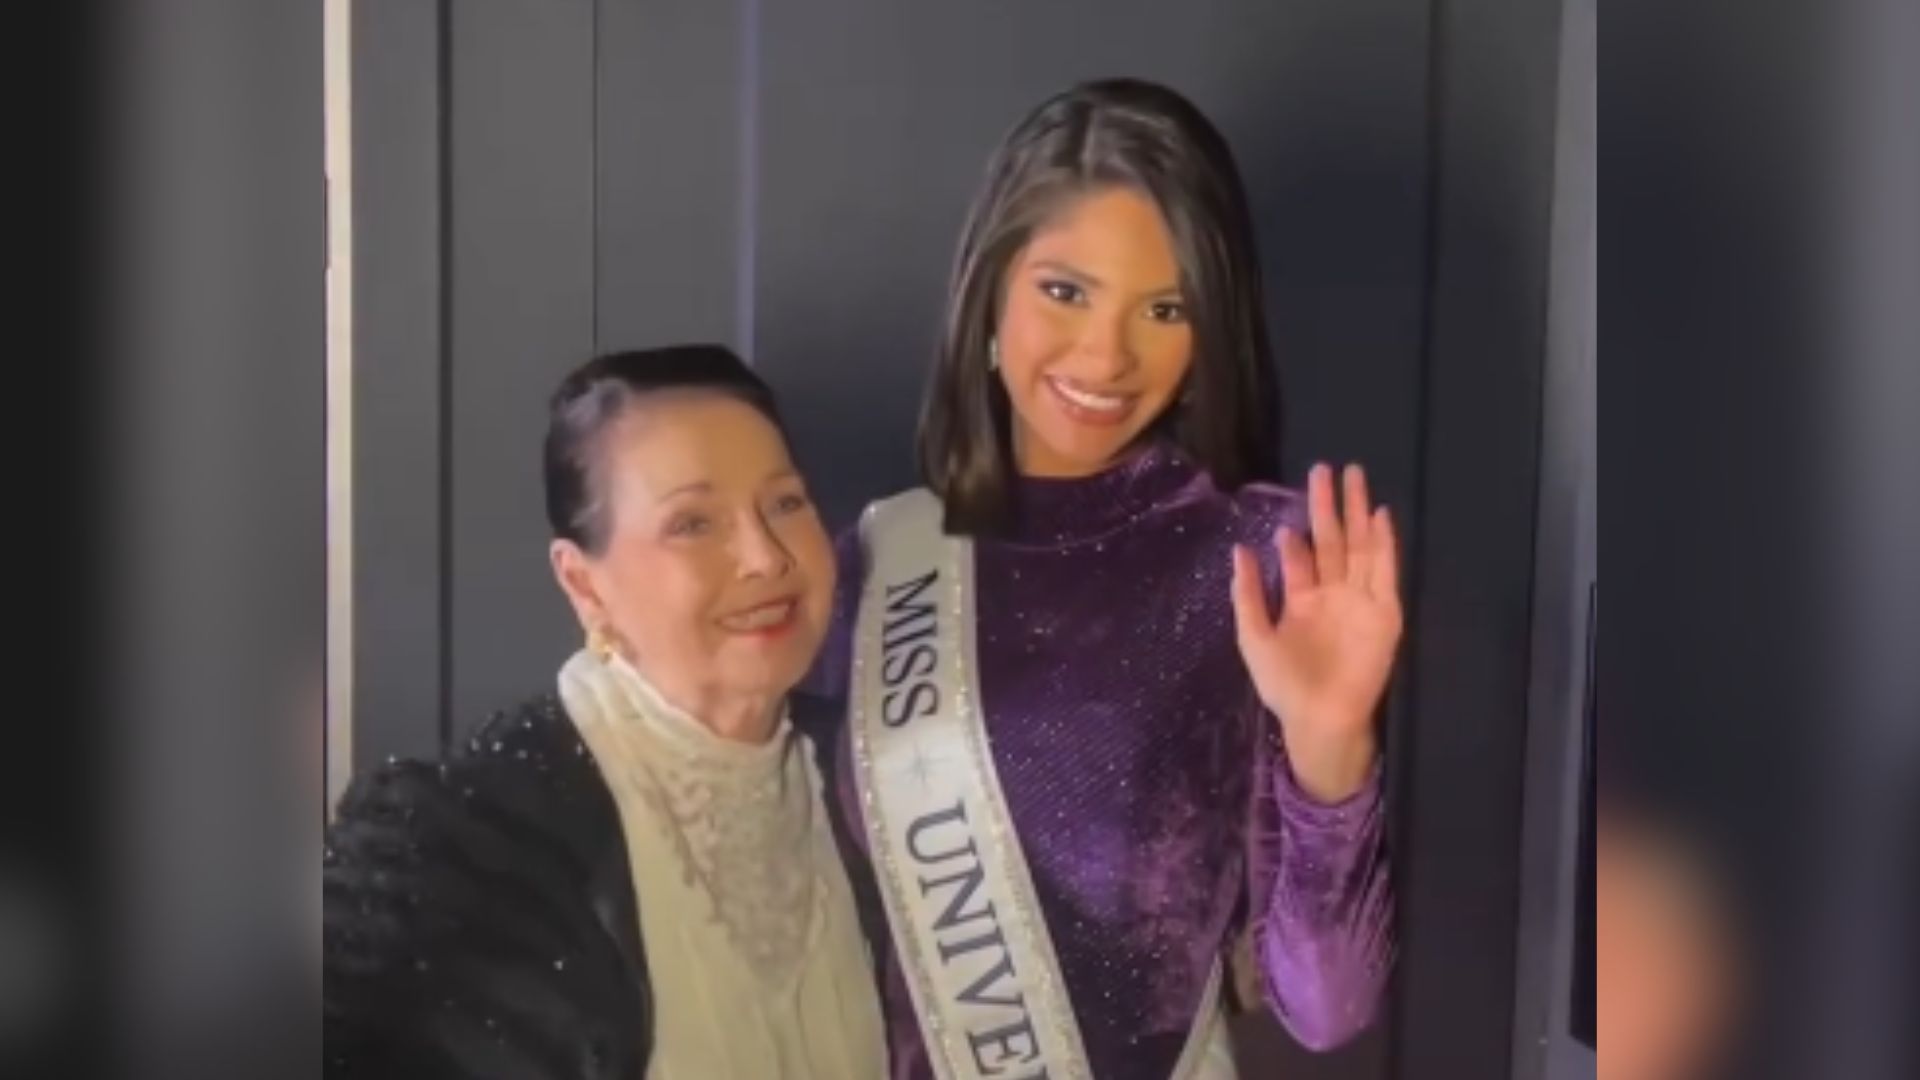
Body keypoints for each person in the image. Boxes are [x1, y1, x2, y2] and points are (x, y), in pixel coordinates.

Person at [810, 79, 1399, 1079]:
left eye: (1165, 308)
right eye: (1065, 290)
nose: (1105, 354)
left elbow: (1327, 1006)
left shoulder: (1263, 560)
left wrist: (1331, 742)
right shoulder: (871, 565)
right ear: (990, 287)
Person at [323, 346, 886, 1079]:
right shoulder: (451, 843)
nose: (764, 557)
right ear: (584, 585)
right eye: (693, 523)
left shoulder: (874, 786)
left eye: (785, 503)